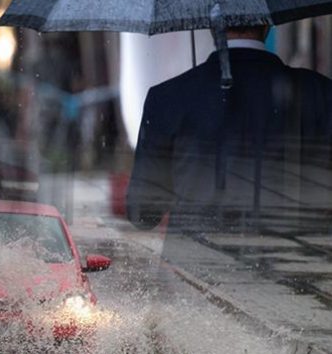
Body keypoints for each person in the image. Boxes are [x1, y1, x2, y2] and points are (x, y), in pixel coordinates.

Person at [126, 25, 332, 256]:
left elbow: (142, 213)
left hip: (194, 275)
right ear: (267, 24)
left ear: (212, 25)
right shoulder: (321, 93)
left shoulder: (167, 97)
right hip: (296, 272)